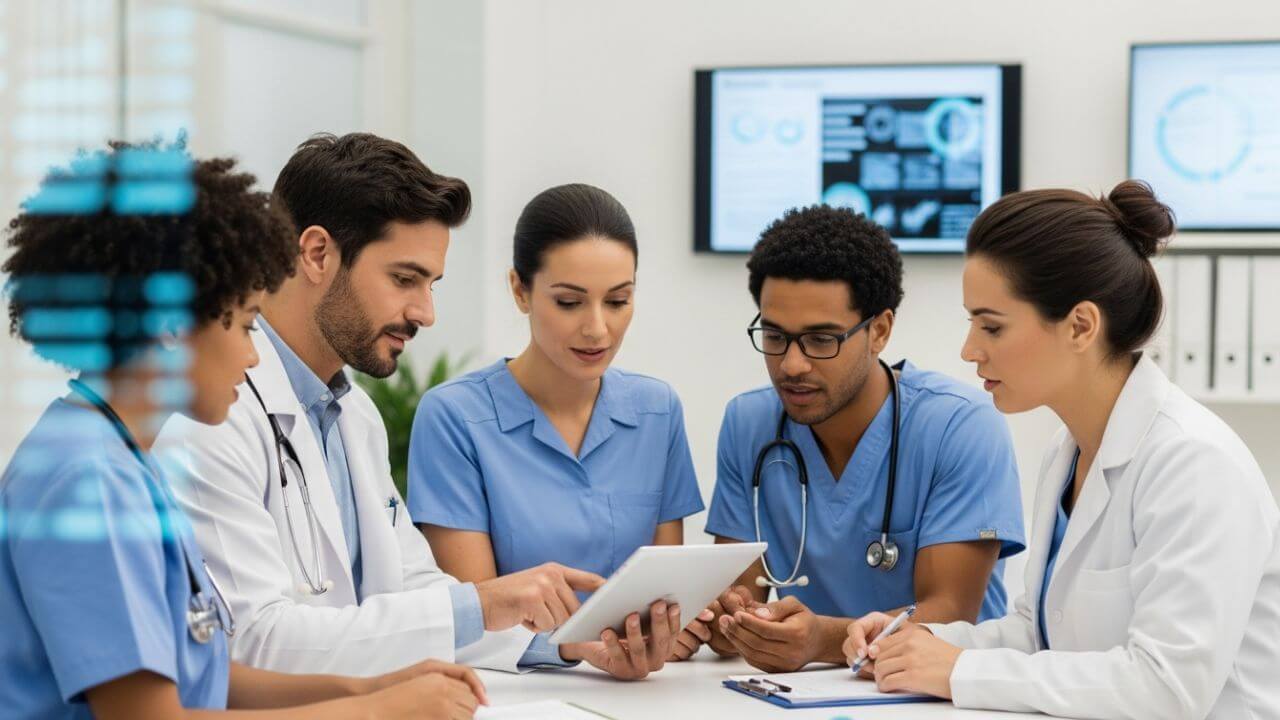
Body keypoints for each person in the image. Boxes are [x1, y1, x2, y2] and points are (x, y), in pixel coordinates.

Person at [0, 142, 486, 719]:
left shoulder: (117, 460)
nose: (255, 359)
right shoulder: (89, 481)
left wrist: (370, 689)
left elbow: (200, 676)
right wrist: (376, 712)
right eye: (247, 324)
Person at [154, 133, 606, 677]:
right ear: (317, 253)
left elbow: (412, 589)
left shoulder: (354, 415)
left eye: (431, 284)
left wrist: (571, 645)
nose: (425, 312)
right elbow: (251, 641)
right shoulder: (209, 419)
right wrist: (480, 604)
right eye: (405, 279)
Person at [842, 181, 1280, 720]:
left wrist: (958, 670)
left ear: (1080, 326)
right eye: (971, 322)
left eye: (991, 326)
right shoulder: (1068, 450)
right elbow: (1042, 632)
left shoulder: (1194, 464)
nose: (969, 349)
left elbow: (1167, 687)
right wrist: (917, 639)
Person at [680, 205, 1026, 671]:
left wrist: (821, 640)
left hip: (936, 697)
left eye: (822, 340)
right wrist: (727, 624)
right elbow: (744, 601)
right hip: (803, 698)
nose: (792, 365)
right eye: (776, 335)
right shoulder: (749, 423)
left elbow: (949, 617)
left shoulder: (960, 427)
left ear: (879, 330)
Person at [408, 184, 705, 679]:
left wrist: (676, 630)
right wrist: (573, 649)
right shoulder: (454, 418)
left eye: (618, 301)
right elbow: (474, 619)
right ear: (520, 291)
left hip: (647, 696)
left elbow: (662, 591)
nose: (597, 329)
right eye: (569, 302)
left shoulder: (658, 410)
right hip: (508, 693)